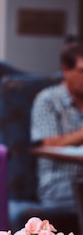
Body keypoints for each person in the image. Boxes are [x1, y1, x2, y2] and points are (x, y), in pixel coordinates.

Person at [31, 41, 83, 209]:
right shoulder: (48, 100)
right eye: (82, 71)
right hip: (59, 183)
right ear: (65, 71)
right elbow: (48, 143)